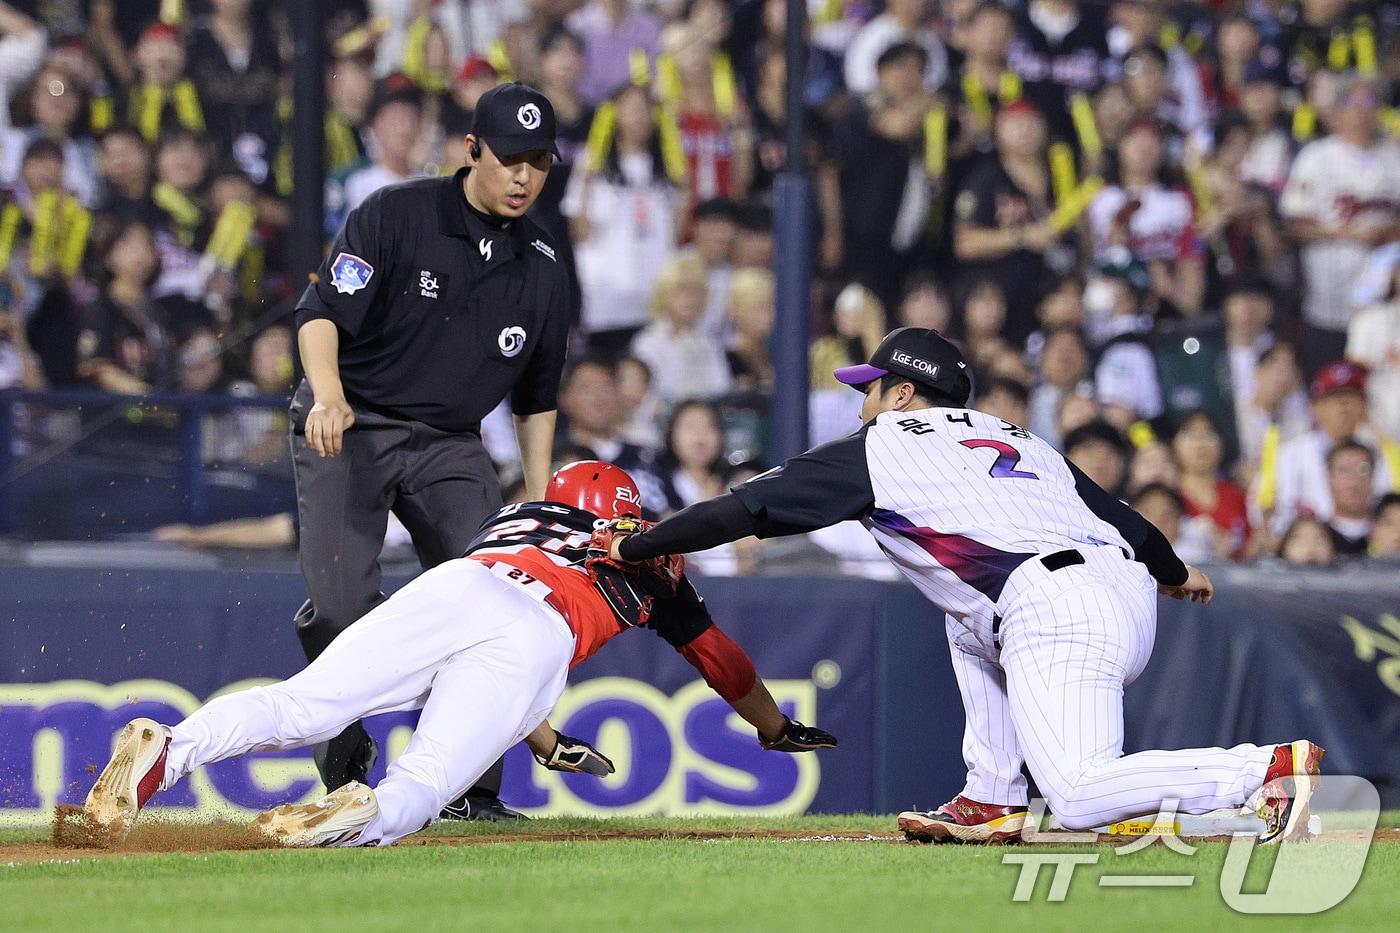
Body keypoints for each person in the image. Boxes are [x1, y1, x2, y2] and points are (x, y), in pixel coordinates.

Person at [600, 327, 1324, 843]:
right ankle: (992, 795)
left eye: (871, 389)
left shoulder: (882, 443)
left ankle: (1262, 768)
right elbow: (1125, 520)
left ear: (904, 392)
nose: (861, 405)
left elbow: (743, 509)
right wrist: (1174, 572)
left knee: (1075, 794)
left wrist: (639, 542)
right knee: (966, 611)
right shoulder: (1019, 435)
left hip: (1055, 607)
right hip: (1113, 591)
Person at [82, 462, 837, 848]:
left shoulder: (521, 513)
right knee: (429, 779)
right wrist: (772, 727)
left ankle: (169, 749)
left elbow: (490, 630)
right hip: (539, 632)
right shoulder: (653, 560)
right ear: (627, 512)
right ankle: (356, 814)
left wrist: (544, 735)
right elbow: (722, 661)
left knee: (302, 702)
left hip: (459, 581)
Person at [289, 82, 572, 822]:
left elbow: (537, 396)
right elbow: (320, 315)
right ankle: (348, 778)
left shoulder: (543, 262)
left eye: (539, 161)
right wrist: (326, 393)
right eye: (509, 157)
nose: (523, 176)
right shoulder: (395, 213)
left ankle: (468, 793)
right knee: (343, 608)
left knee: (497, 603)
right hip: (350, 424)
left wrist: (536, 501)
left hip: (448, 440)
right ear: (471, 149)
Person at [1279, 75, 1400, 369]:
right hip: (1329, 300)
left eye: (1368, 102)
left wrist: (1389, 232)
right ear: (1336, 112)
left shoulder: (1394, 158)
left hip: (1384, 304)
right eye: (1351, 103)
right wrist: (1349, 233)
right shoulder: (1316, 157)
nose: (1360, 111)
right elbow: (1293, 224)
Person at [1323, 441, 1377, 557]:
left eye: (1363, 469)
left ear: (1373, 477)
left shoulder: (1390, 536)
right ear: (1329, 478)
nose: (1352, 482)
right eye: (1343, 470)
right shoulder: (1316, 537)